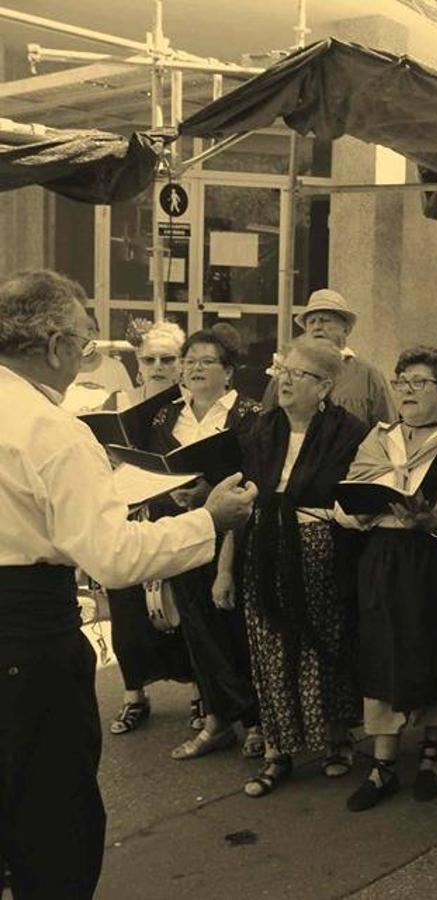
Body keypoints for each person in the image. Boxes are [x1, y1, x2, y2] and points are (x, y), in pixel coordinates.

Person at [0, 269, 256, 900]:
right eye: (84, 343)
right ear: (55, 345)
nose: (85, 358)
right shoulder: (52, 428)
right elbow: (112, 556)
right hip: (26, 638)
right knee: (51, 816)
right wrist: (209, 520)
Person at [227, 336, 368, 798]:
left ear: (324, 386)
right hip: (264, 545)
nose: (284, 381)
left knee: (322, 641)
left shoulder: (349, 433)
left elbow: (355, 496)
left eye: (298, 374)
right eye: (282, 370)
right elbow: (242, 500)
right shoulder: (260, 429)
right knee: (269, 646)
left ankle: (336, 738)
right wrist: (225, 569)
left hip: (321, 546)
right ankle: (277, 750)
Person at [337, 346, 437, 811]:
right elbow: (352, 493)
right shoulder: (377, 438)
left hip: (432, 557)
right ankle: (384, 764)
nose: (408, 391)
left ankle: (433, 753)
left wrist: (436, 522)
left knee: (435, 646)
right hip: (382, 554)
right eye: (402, 382)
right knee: (382, 649)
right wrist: (363, 508)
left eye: (420, 382)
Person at [144, 324, 267, 761]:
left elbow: (258, 477)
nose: (195, 368)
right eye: (189, 361)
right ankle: (217, 721)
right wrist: (170, 494)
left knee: (237, 629)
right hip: (182, 530)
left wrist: (210, 492)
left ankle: (257, 720)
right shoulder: (165, 417)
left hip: (236, 534)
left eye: (207, 361)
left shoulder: (250, 415)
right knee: (196, 628)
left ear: (228, 371)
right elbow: (154, 469)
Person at [98, 319, 202, 737]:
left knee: (185, 604)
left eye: (168, 359)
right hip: (127, 513)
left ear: (180, 364)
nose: (158, 366)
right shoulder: (116, 402)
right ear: (138, 364)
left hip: (174, 511)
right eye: (150, 359)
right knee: (127, 607)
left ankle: (200, 691)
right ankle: (134, 695)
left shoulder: (188, 408)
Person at [262, 289, 395, 429]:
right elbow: (266, 426)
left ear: (346, 329)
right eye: (311, 322)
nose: (317, 327)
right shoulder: (286, 373)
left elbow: (388, 431)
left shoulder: (368, 375)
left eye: (325, 320)